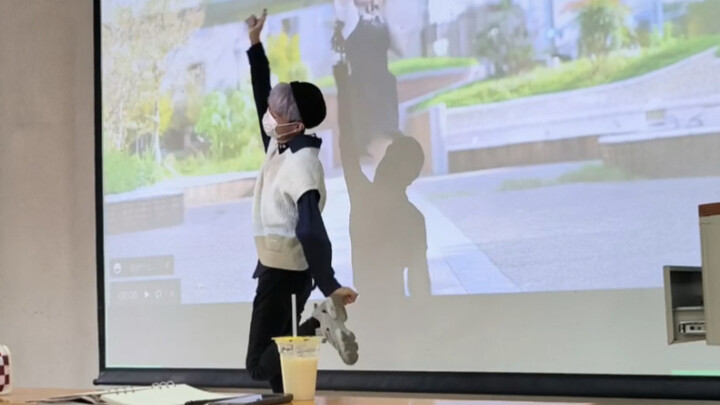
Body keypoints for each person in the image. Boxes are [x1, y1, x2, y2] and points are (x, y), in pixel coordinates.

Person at [244, 10, 359, 393]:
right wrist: (255, 45)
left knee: (258, 365)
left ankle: (319, 321)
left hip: (284, 275)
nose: (267, 115)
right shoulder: (280, 148)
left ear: (293, 124)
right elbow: (262, 94)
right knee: (279, 375)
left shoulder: (302, 165)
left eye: (275, 113)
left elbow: (311, 228)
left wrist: (329, 285)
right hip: (278, 270)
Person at [334, 60, 431, 300]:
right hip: (396, 314)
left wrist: (343, 88)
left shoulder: (363, 196)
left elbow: (346, 144)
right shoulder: (414, 219)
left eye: (390, 157)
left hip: (368, 311)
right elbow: (421, 287)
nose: (383, 161)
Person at [333, 0, 403, 160]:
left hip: (384, 89)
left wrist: (386, 9)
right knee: (380, 143)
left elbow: (401, 48)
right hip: (363, 89)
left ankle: (387, 183)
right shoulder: (348, 12)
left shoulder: (378, 17)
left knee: (387, 144)